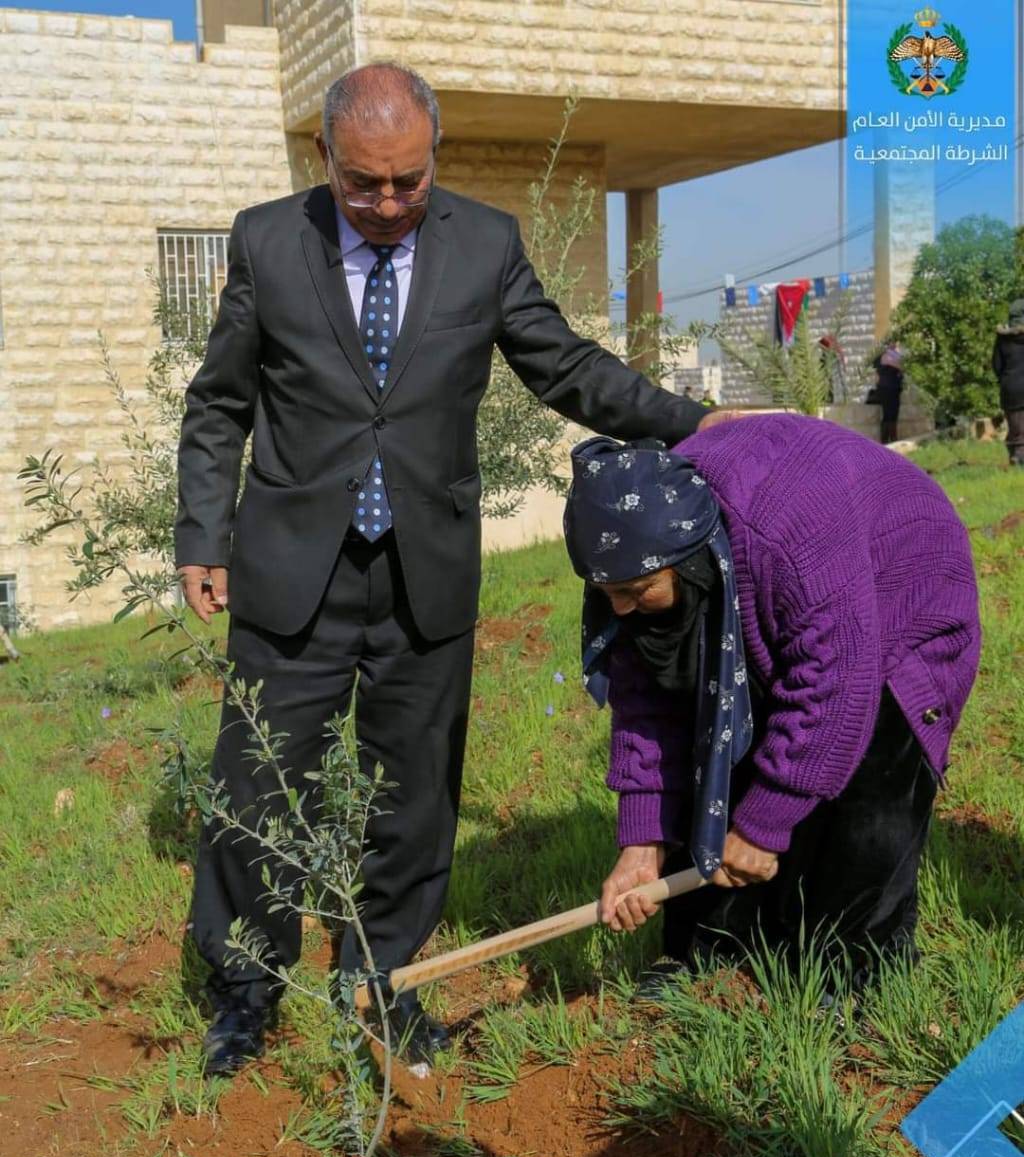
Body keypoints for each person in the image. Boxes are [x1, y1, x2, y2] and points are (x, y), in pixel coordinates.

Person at [175, 62, 738, 1076]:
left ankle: (381, 981)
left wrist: (697, 423)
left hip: (423, 572)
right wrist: (200, 532)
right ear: (324, 159)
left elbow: (564, 364)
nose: (387, 204)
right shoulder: (267, 239)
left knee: (416, 793)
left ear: (432, 155)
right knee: (256, 783)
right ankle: (245, 992)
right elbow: (220, 402)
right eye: (363, 184)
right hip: (290, 568)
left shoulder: (483, 242)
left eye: (407, 181)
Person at [562, 415, 980, 1007]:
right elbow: (649, 704)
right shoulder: (627, 557)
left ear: (691, 559)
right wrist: (643, 841)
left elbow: (834, 688)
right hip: (798, 582)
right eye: (608, 597)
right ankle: (710, 952)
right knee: (719, 748)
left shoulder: (792, 537)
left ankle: (856, 972)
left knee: (867, 788)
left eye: (634, 593)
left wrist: (763, 824)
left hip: (903, 591)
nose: (621, 610)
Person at [991, 298, 1024, 466]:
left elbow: (996, 365)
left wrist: (1004, 378)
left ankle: (1016, 456)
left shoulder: (1002, 339)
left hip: (1011, 387)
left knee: (1015, 426)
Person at [872, 343, 904, 445]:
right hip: (887, 388)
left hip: (894, 388)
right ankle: (888, 440)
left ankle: (889, 439)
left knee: (893, 414)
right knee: (888, 414)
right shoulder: (885, 356)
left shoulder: (895, 355)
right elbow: (900, 366)